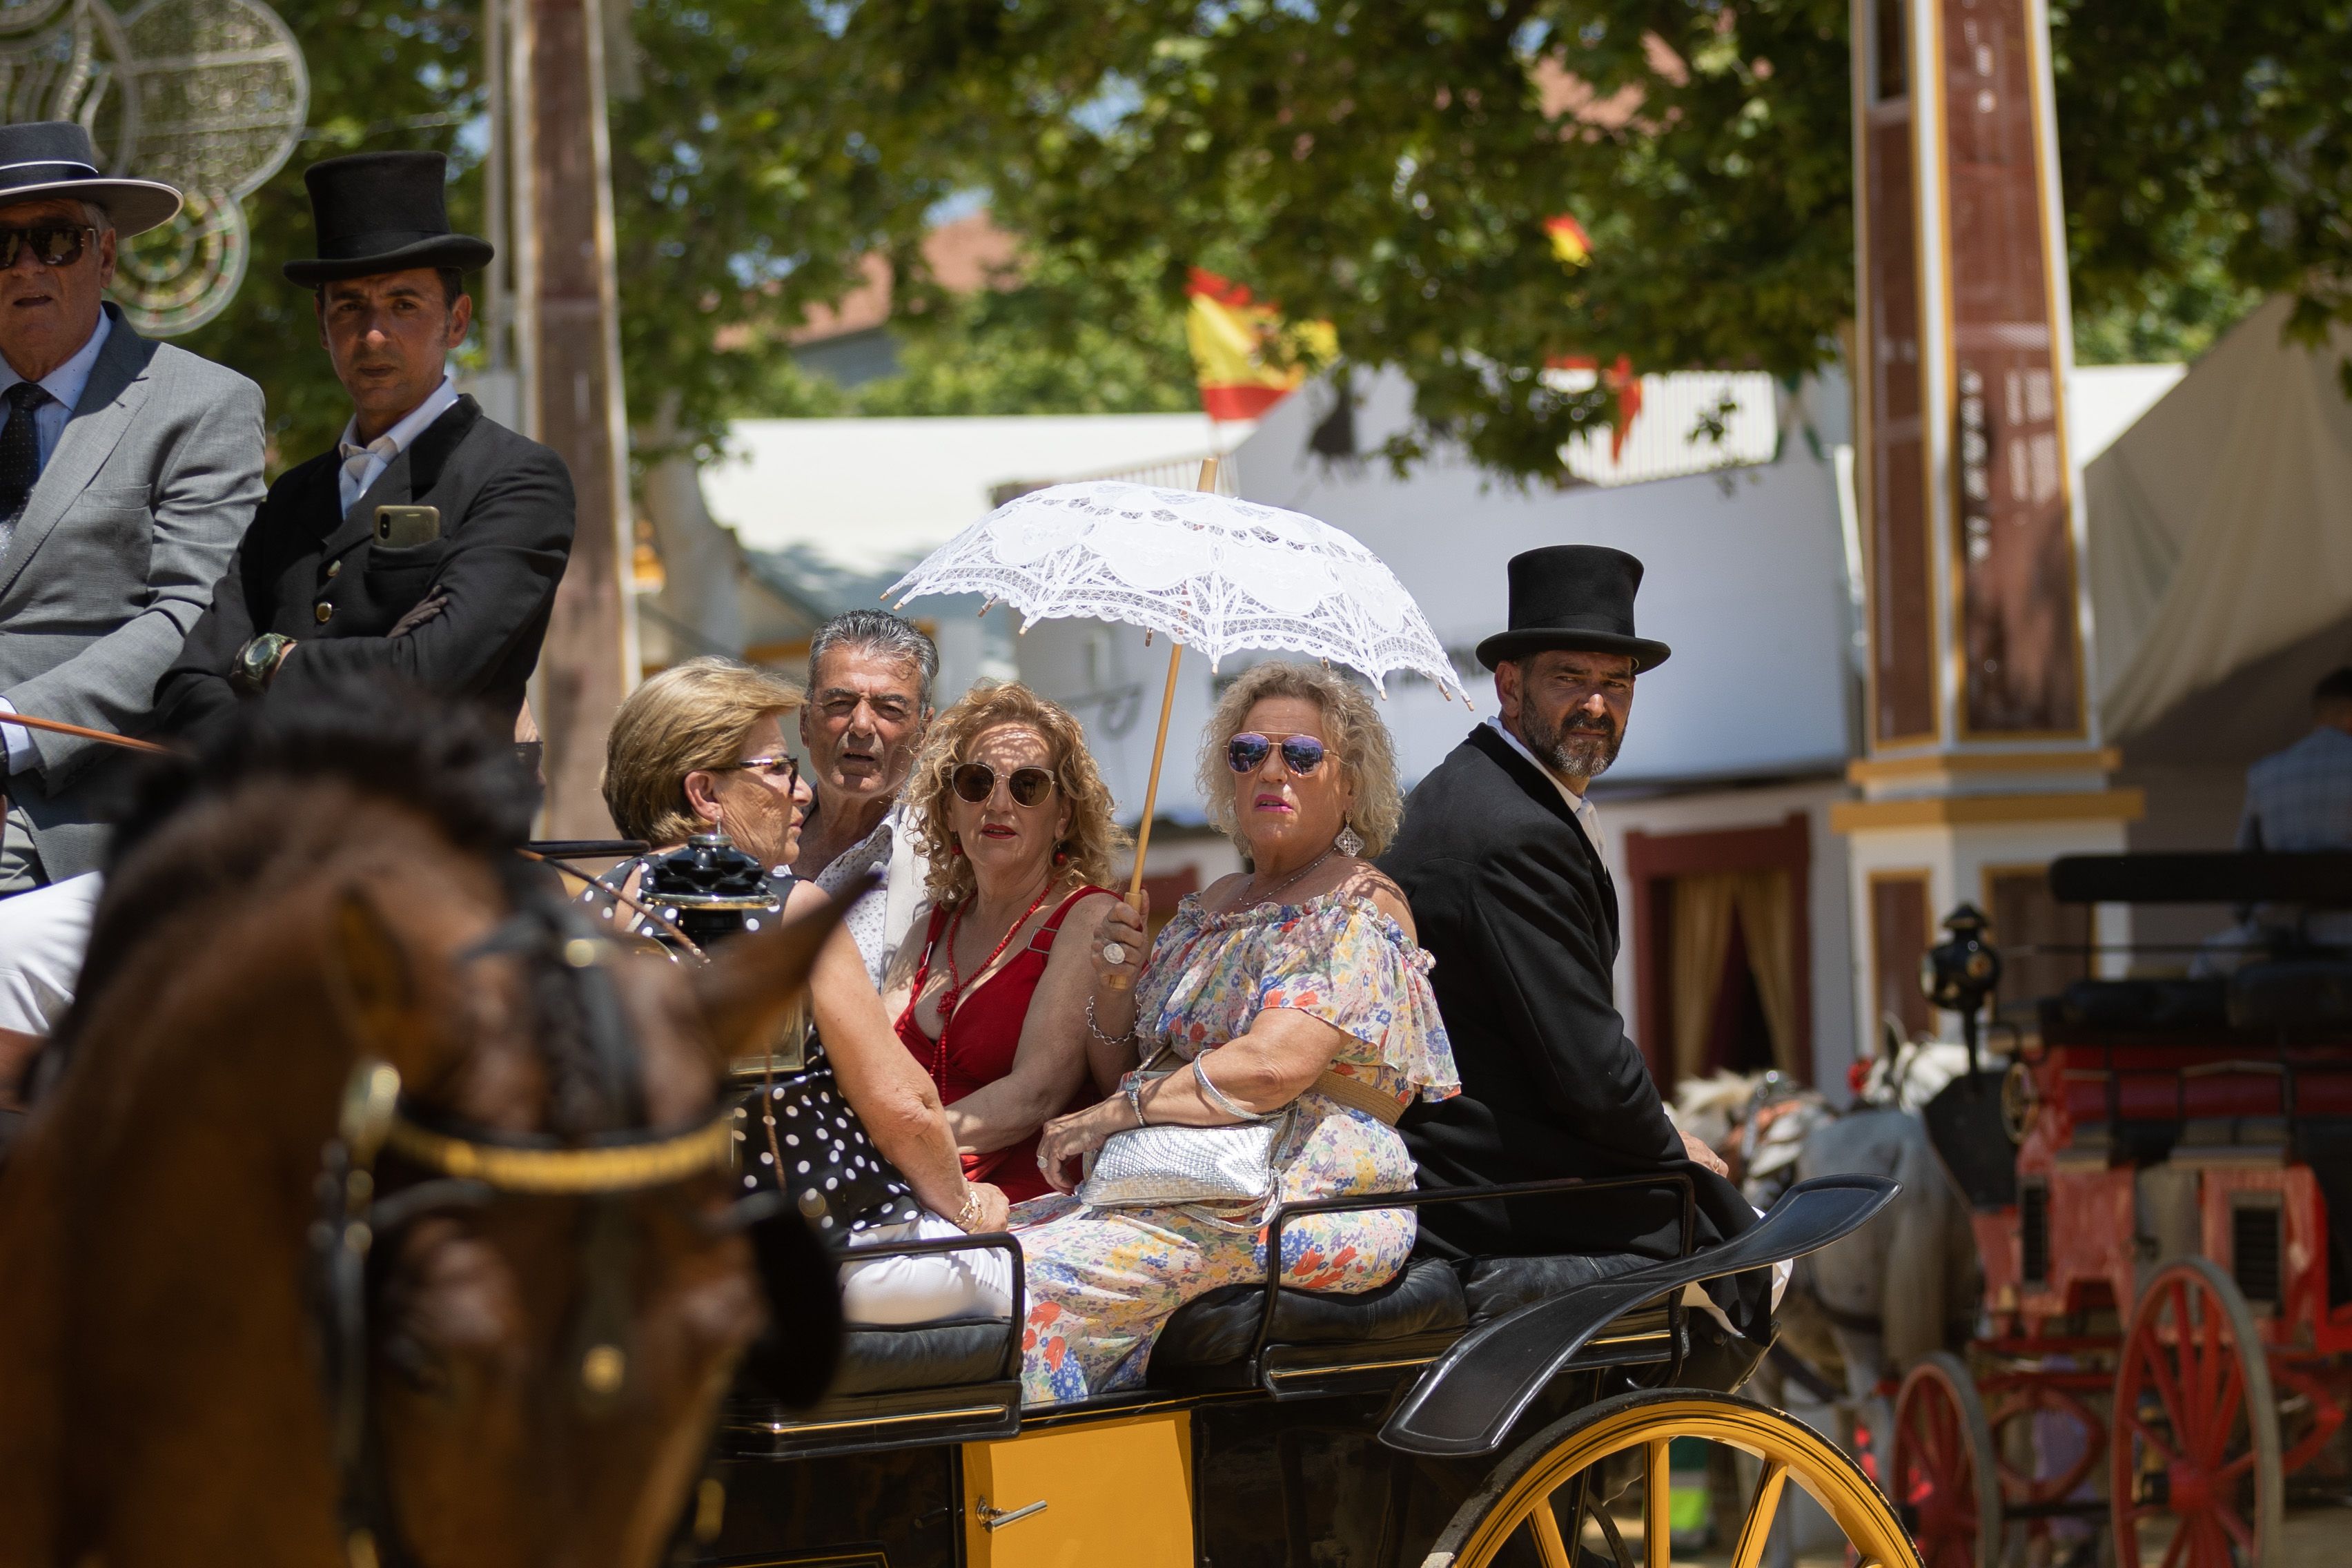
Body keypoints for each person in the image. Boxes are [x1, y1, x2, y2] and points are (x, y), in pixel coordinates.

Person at [1016, 660, 1458, 1406]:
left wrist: (1119, 1112)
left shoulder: (1360, 900)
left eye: (1302, 755)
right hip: (1179, 1181)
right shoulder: (1214, 901)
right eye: (1249, 752)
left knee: (1025, 1290)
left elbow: (1272, 1068)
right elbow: (1120, 1063)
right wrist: (1118, 990)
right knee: (969, 1263)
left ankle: (1059, 1509)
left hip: (1305, 1198)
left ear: (1349, 782)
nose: (1272, 770)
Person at [1379, 545, 1770, 1344]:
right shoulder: (1510, 827)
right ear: (1511, 685)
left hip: (1487, 1157)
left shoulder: (1491, 791)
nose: (1596, 704)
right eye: (1570, 679)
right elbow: (1587, 1069)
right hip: (1485, 1185)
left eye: (1616, 684)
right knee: (1739, 1236)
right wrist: (1675, 1147)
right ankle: (1625, 1452)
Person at [591, 658, 1012, 1324]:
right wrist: (967, 1207)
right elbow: (904, 1106)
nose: (802, 792)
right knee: (1024, 1282)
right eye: (779, 769)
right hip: (826, 1262)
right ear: (705, 793)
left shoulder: (592, 911)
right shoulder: (787, 911)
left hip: (655, 1273)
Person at [153, 149, 574, 740]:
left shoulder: (516, 478)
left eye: (404, 305)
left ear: (457, 321)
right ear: (322, 326)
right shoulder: (294, 495)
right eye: (350, 306)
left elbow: (430, 672)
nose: (374, 334)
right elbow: (187, 681)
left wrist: (268, 660)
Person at [0, 121, 264, 896]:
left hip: (80, 803)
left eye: (55, 241)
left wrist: (15, 727)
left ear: (105, 256)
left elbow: (189, 615)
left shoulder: (204, 404)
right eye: (1, 245)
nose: (24, 267)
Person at [885, 683, 1121, 1204]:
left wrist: (884, 1144)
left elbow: (1034, 1098)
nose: (997, 803)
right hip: (905, 1184)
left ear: (1062, 817)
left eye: (1028, 787)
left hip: (1019, 1205)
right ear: (949, 809)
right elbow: (874, 1056)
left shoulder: (1087, 917)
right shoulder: (933, 924)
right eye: (975, 782)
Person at [790, 611, 937, 985]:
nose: (860, 725)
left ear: (923, 732)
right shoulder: (752, 839)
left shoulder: (945, 862)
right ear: (805, 723)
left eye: (889, 709)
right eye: (839, 703)